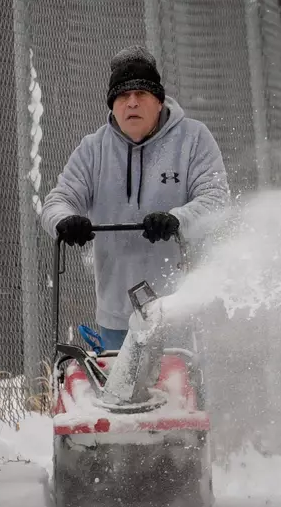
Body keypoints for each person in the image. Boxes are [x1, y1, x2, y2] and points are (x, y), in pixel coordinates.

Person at [40, 45, 230, 351]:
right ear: (112, 104)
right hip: (116, 316)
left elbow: (216, 200)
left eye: (141, 94)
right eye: (122, 96)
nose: (132, 103)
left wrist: (177, 220)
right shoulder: (93, 149)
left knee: (179, 393)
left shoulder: (193, 139)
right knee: (116, 395)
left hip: (180, 313)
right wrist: (65, 221)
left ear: (158, 100)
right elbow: (57, 200)